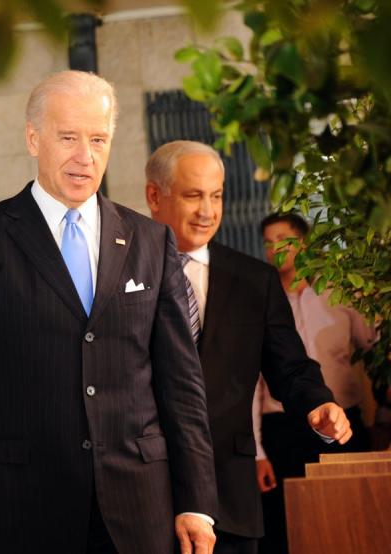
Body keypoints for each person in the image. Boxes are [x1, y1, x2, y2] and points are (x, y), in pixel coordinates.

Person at [0, 71, 218, 554]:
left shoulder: (150, 240)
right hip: (20, 508)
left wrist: (197, 503)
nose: (86, 156)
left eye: (98, 139)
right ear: (34, 138)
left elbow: (182, 383)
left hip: (138, 507)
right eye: (69, 138)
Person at [144, 141, 353, 554]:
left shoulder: (253, 281)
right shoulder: (120, 272)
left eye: (216, 196)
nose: (208, 211)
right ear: (155, 196)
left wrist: (317, 403)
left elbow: (290, 367)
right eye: (193, 195)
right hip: (145, 492)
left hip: (231, 499)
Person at [253, 212, 377, 553]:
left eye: (283, 240)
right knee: (288, 530)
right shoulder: (258, 302)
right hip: (282, 431)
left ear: (302, 243)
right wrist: (258, 452)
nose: (274, 249)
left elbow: (374, 347)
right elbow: (254, 387)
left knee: (353, 521)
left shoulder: (339, 292)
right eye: (268, 243)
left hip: (343, 423)